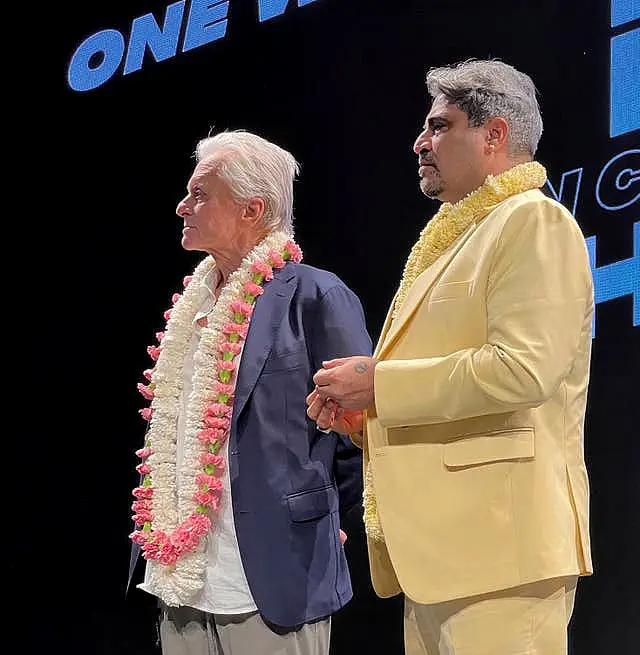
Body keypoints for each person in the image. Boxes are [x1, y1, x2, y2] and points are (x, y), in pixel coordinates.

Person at [307, 59, 594, 655]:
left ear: (494, 136)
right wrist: (367, 419)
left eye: (440, 127)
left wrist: (379, 385)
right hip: (443, 558)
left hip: (500, 554)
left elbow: (522, 370)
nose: (420, 142)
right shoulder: (454, 240)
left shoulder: (533, 221)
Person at [127, 129, 372, 655]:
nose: (181, 206)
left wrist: (320, 517)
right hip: (182, 581)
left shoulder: (315, 295)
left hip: (273, 577)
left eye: (199, 194)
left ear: (251, 209)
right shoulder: (190, 309)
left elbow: (361, 437)